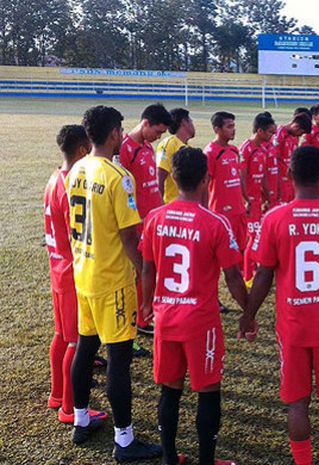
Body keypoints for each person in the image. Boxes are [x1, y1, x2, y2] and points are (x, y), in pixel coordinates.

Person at [239, 145, 319, 465]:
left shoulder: (275, 218)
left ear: (289, 175)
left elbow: (263, 274)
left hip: (293, 325)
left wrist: (248, 315)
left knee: (297, 401)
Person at [141, 146, 247, 465]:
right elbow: (231, 277)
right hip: (201, 323)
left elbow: (148, 269)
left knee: (170, 391)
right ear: (206, 180)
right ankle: (206, 460)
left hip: (166, 319)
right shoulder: (214, 223)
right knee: (208, 391)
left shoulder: (155, 218)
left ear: (174, 177)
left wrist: (145, 305)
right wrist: (248, 312)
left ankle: (170, 458)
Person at [66, 106, 162, 460]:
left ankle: (81, 420)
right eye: (120, 130)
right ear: (112, 134)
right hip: (112, 281)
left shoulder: (76, 168)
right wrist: (145, 274)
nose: (123, 135)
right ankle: (124, 441)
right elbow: (128, 238)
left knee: (85, 347)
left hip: (84, 275)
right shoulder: (117, 176)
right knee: (119, 359)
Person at [45, 125, 107, 425]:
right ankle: (69, 409)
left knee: (61, 336)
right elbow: (77, 234)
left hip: (56, 270)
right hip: (72, 273)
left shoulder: (54, 177)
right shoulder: (72, 183)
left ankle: (57, 394)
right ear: (83, 150)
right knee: (74, 343)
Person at [119, 103, 173, 339]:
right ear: (145, 123)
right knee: (138, 270)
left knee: (150, 269)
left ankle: (145, 314)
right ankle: (138, 319)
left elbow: (151, 185)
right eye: (157, 131)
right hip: (135, 222)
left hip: (152, 222)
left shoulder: (148, 147)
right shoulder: (124, 148)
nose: (158, 136)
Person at [239, 113, 275, 285]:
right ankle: (248, 276)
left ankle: (252, 269)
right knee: (253, 237)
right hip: (249, 201)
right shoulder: (246, 148)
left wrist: (267, 195)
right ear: (259, 131)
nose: (272, 136)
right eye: (269, 132)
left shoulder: (263, 149)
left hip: (258, 201)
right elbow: (241, 176)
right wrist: (246, 199)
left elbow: (263, 176)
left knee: (257, 236)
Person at [204, 111, 247, 252]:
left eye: (233, 126)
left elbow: (238, 178)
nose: (233, 129)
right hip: (221, 212)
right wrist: (204, 212)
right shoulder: (210, 153)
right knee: (223, 253)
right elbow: (204, 185)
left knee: (241, 250)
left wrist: (246, 200)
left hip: (239, 210)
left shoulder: (234, 150)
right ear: (217, 129)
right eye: (229, 126)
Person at [157, 108, 195, 204]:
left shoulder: (188, 148)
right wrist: (160, 206)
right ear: (184, 123)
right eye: (191, 121)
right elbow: (159, 177)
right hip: (172, 206)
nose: (193, 124)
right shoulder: (170, 144)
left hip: (187, 205)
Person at [273, 112, 313, 203]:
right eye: (301, 132)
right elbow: (275, 158)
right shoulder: (279, 134)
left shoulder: (294, 137)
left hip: (290, 179)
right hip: (280, 179)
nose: (300, 135)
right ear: (296, 127)